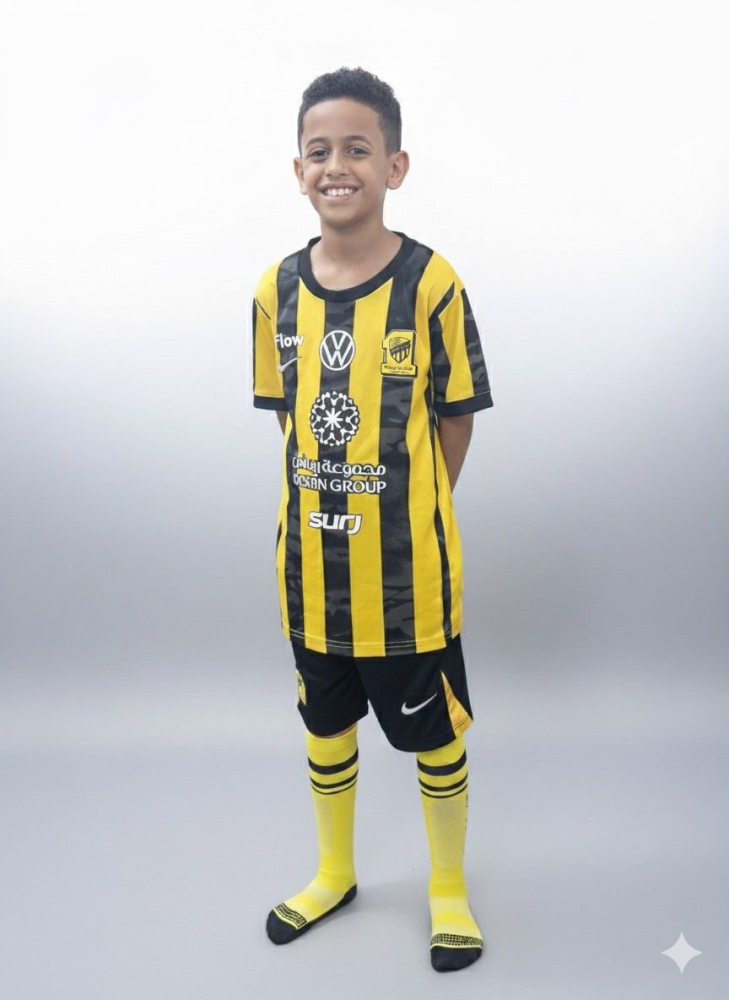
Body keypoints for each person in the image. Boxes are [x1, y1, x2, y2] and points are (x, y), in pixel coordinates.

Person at [250, 66, 494, 972]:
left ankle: (446, 889)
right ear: (297, 170)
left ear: (394, 166)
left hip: (405, 582)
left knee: (432, 736)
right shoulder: (273, 291)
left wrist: (412, 505)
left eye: (357, 148)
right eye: (318, 151)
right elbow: (289, 420)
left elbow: (455, 418)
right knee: (324, 725)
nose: (336, 165)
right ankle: (333, 873)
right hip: (309, 576)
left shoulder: (432, 285)